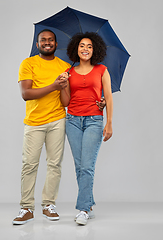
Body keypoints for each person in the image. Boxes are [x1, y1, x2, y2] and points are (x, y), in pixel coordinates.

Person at [12, 29, 71, 225]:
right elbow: (26, 94)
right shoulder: (28, 63)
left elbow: (65, 102)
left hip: (57, 120)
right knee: (29, 165)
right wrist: (54, 86)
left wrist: (63, 86)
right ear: (37, 45)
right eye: (43, 40)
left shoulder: (64, 67)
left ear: (56, 43)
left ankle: (48, 205)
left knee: (55, 164)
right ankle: (26, 208)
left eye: (51, 40)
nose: (47, 42)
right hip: (34, 122)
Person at [60, 32, 113, 225]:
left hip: (94, 120)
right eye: (82, 45)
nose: (85, 49)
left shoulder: (102, 70)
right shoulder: (69, 71)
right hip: (72, 120)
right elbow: (65, 102)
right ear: (76, 48)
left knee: (87, 166)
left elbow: (108, 97)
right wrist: (63, 85)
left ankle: (82, 209)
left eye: (89, 46)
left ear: (95, 50)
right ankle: (88, 204)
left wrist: (109, 122)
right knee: (80, 165)